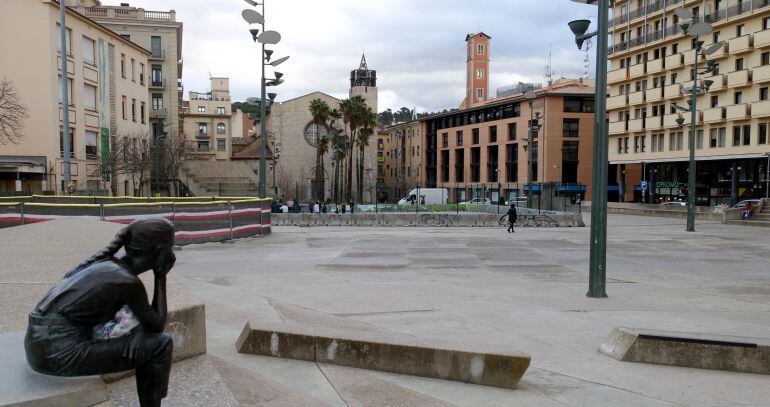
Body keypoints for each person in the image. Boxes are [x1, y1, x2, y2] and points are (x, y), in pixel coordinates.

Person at [25, 218, 176, 407]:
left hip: (40, 342)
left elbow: (133, 317)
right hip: (58, 352)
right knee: (160, 346)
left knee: (149, 340)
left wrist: (139, 332)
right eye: (171, 247)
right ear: (160, 251)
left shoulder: (111, 264)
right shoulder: (127, 281)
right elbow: (156, 326)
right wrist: (160, 277)